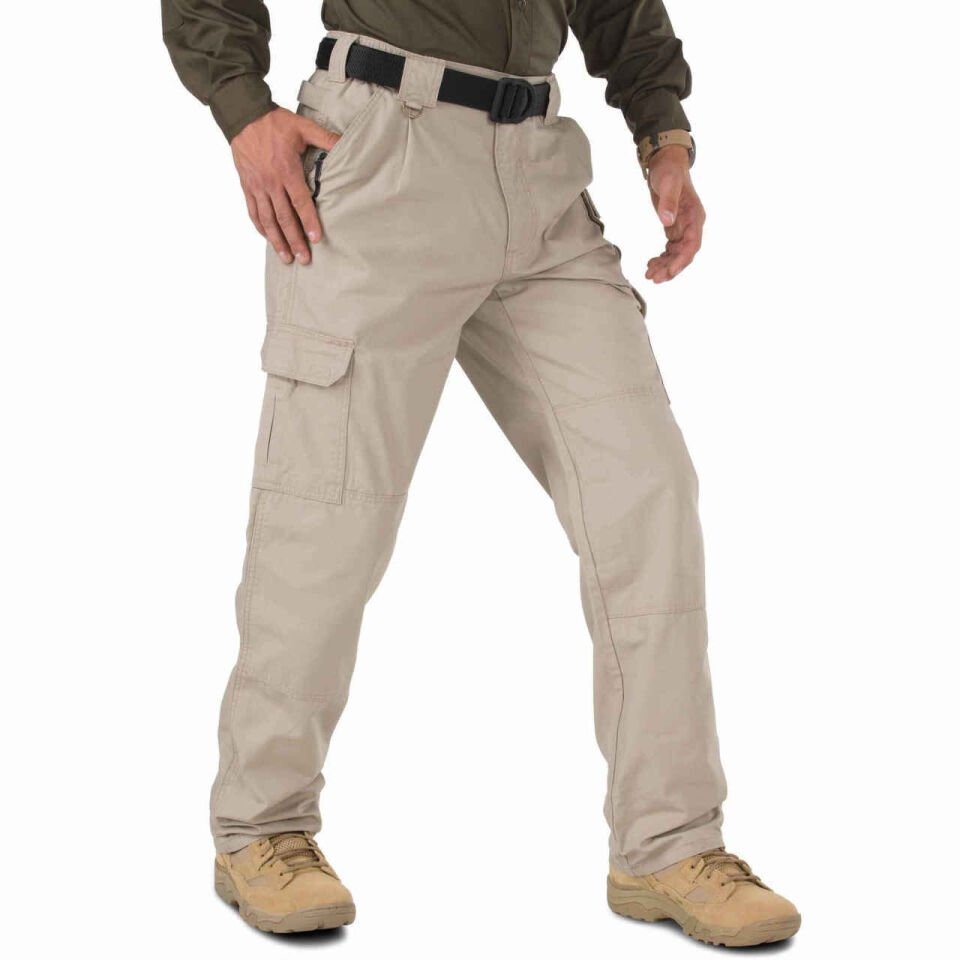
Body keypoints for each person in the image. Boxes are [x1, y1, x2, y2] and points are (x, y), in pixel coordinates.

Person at [162, 1, 800, 947]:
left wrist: (663, 132)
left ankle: (668, 845)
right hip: (378, 156)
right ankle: (262, 827)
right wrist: (241, 108)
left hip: (539, 175)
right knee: (330, 515)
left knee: (647, 489)